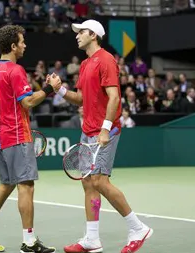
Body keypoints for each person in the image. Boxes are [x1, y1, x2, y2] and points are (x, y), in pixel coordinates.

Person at [49, 19, 153, 253]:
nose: (77, 35)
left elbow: (115, 97)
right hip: (88, 130)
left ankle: (137, 228)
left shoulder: (106, 60)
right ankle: (92, 239)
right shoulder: (86, 64)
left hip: (105, 130)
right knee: (88, 183)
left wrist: (105, 128)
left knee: (100, 181)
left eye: (81, 32)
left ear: (93, 35)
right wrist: (60, 90)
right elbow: (81, 99)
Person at [0, 24, 57, 253]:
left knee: (6, 184)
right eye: (22, 41)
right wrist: (50, 88)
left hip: (0, 138)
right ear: (13, 46)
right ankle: (29, 242)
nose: (25, 45)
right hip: (18, 136)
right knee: (26, 186)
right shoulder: (15, 71)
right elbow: (27, 102)